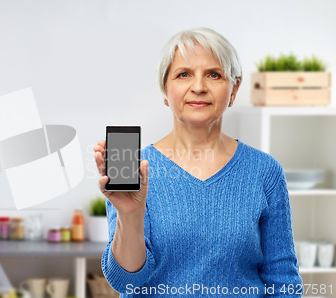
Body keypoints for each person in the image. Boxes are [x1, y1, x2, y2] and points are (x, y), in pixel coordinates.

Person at [94, 27, 303, 297]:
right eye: (183, 74)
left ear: (234, 89)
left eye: (214, 75)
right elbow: (125, 282)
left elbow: (282, 280)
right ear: (165, 90)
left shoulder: (265, 171)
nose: (199, 87)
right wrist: (130, 214)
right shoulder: (135, 167)